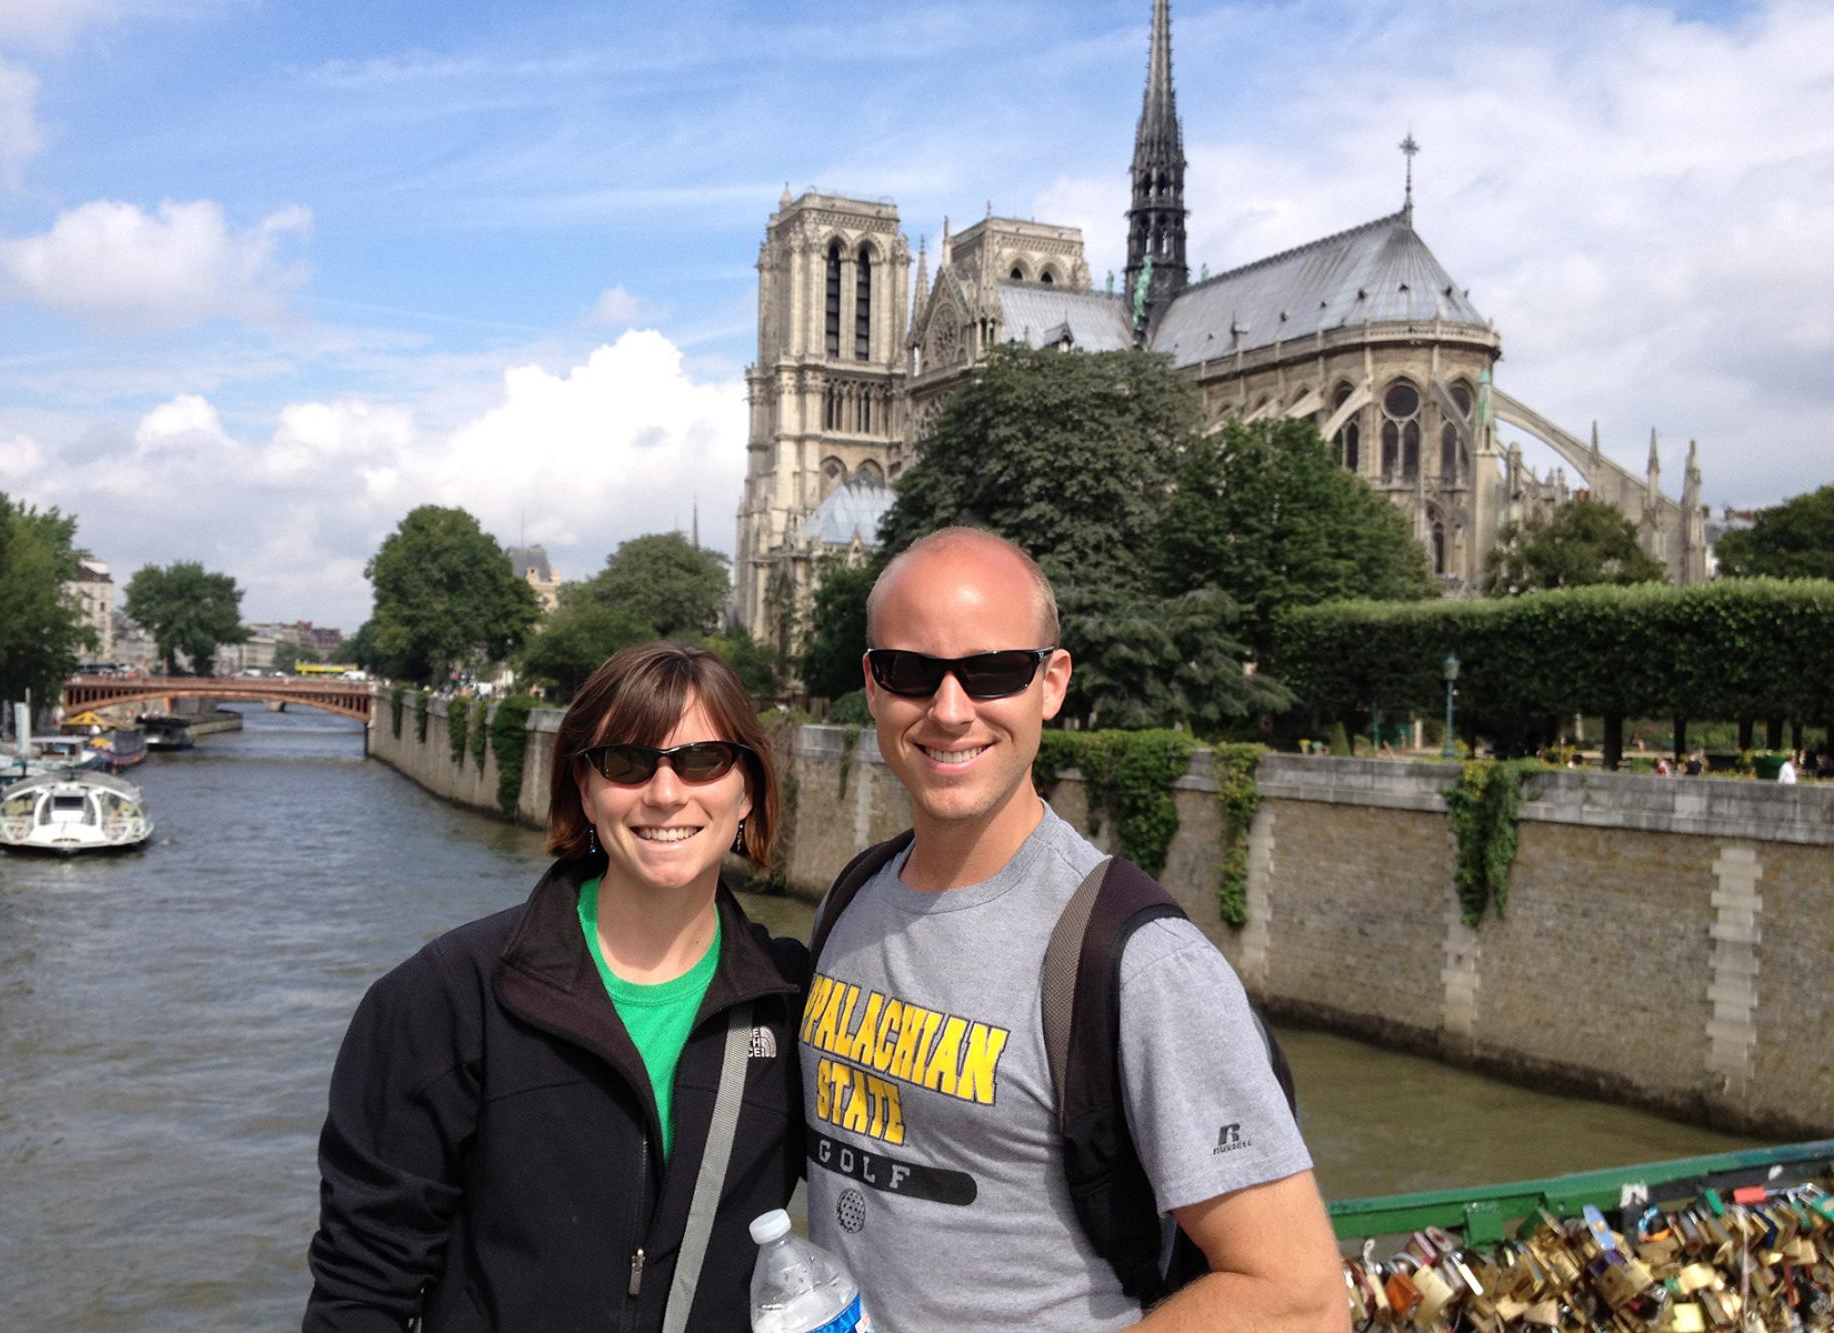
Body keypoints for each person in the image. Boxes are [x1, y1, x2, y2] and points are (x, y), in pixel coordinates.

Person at [803, 528, 1347, 1332]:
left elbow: (1300, 1299)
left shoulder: (1139, 963)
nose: (950, 711)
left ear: (1051, 683)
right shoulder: (848, 900)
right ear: (874, 686)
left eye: (992, 672)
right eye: (912, 672)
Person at [305, 642, 807, 1331]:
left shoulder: (792, 1002)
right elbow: (362, 1288)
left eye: (701, 760)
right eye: (627, 763)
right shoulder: (450, 998)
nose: (665, 792)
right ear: (584, 789)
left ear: (746, 788)